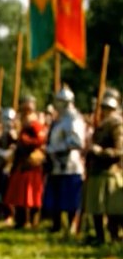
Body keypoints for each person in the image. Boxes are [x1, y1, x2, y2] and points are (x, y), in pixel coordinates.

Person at [84, 88, 123, 245]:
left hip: (110, 171)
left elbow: (120, 150)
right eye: (104, 108)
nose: (106, 111)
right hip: (97, 171)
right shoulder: (101, 124)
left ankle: (114, 238)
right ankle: (99, 237)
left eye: (109, 108)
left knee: (113, 210)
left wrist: (100, 151)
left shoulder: (116, 124)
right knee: (96, 209)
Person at [45, 86, 86, 235]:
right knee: (56, 197)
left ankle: (71, 226)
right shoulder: (60, 119)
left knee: (70, 200)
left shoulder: (73, 118)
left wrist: (54, 148)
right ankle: (56, 226)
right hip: (57, 164)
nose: (56, 104)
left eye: (59, 101)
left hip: (69, 164)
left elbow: (77, 142)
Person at [5, 95, 47, 229]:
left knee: (31, 195)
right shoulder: (22, 123)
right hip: (21, 161)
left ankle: (32, 220)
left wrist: (23, 139)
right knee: (19, 193)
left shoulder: (35, 124)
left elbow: (39, 141)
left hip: (31, 162)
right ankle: (20, 220)